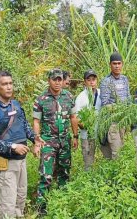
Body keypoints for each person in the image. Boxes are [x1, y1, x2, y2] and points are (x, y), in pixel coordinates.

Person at [0, 71, 43, 219]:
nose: (9, 87)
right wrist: (12, 147)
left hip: (20, 162)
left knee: (20, 200)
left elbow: (25, 126)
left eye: (10, 83)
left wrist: (35, 139)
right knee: (6, 205)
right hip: (5, 164)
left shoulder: (15, 105)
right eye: (4, 84)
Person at [33, 68, 78, 214]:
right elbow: (36, 121)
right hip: (48, 142)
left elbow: (73, 117)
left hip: (65, 141)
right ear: (49, 80)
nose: (57, 82)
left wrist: (75, 136)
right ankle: (41, 210)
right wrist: (37, 140)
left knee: (64, 173)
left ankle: (62, 203)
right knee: (46, 176)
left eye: (59, 79)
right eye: (54, 79)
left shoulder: (69, 97)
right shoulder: (41, 99)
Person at [99, 52, 131, 159]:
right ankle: (116, 173)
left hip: (123, 121)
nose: (117, 66)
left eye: (119, 63)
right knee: (116, 152)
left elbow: (128, 97)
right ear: (110, 65)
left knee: (122, 149)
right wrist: (119, 108)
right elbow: (105, 103)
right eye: (114, 63)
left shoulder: (124, 79)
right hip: (112, 122)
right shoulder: (106, 81)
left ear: (122, 64)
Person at [75, 69, 101, 171]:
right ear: (85, 82)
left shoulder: (101, 93)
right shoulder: (80, 97)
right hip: (87, 135)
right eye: (88, 79)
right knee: (88, 161)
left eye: (93, 79)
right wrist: (85, 125)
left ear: (96, 80)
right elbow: (76, 118)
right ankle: (88, 178)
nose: (91, 82)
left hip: (100, 133)